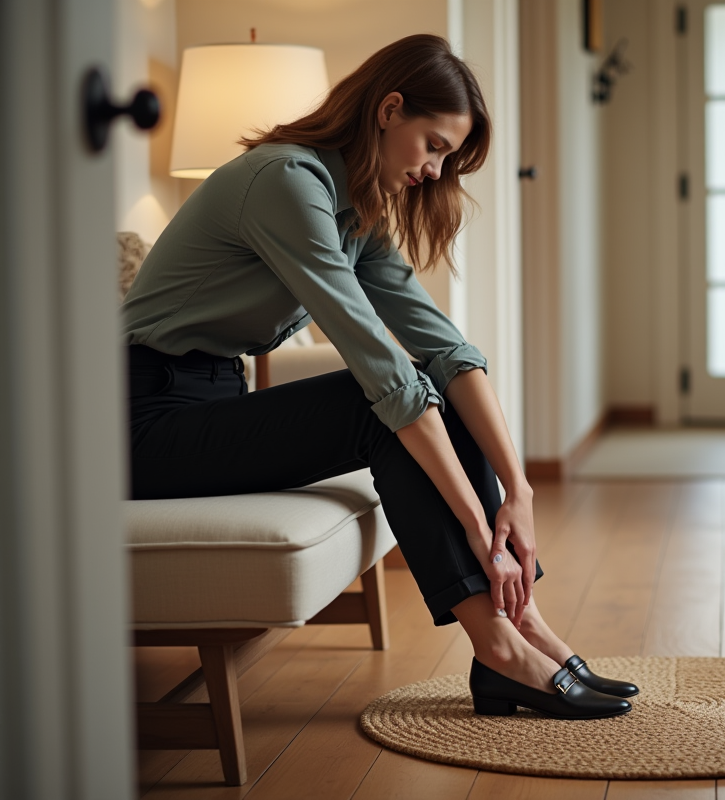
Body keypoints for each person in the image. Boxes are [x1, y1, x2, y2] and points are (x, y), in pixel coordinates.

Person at [122, 34, 634, 720]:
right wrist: (477, 528)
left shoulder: (352, 211)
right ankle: (499, 650)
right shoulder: (283, 183)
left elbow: (447, 351)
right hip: (141, 424)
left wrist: (520, 489)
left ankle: (523, 623)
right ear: (389, 110)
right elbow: (383, 373)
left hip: (211, 401)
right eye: (433, 146)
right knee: (380, 405)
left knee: (433, 386)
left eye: (446, 158)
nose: (434, 170)